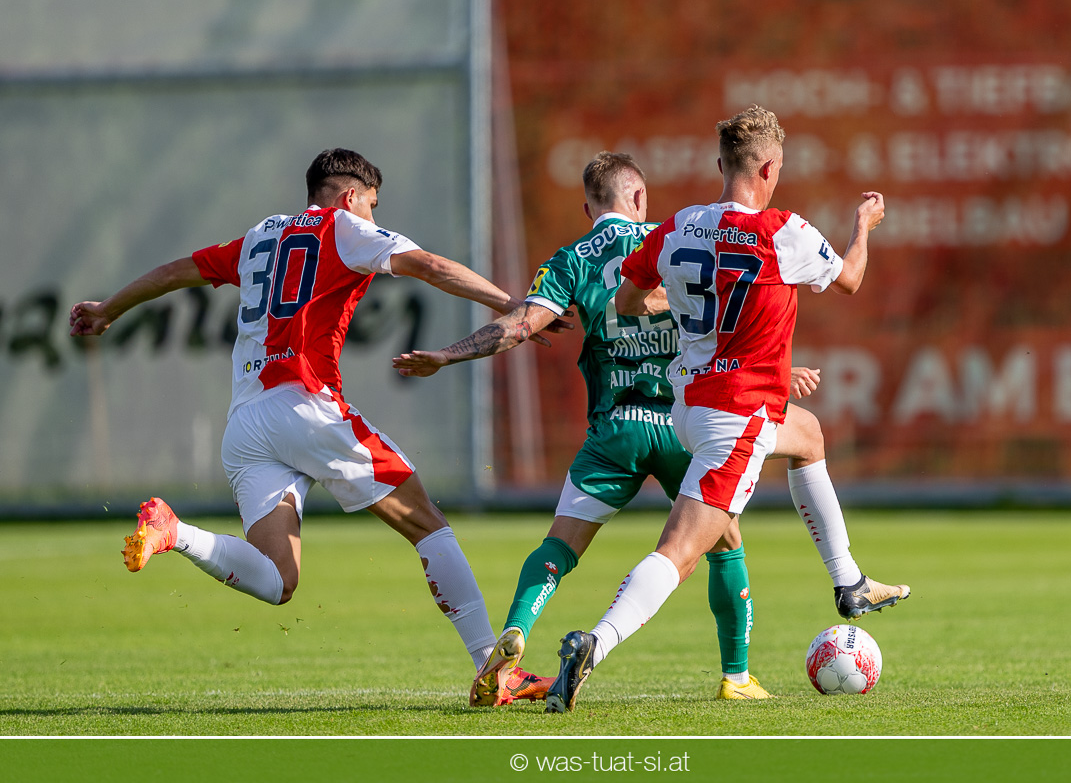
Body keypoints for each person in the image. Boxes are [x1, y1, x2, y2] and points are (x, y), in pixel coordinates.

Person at [68, 148, 553, 703]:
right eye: (372, 205)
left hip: (246, 424)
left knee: (278, 580)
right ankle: (493, 667)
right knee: (427, 523)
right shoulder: (343, 226)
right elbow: (431, 266)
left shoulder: (259, 237)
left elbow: (177, 271)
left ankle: (174, 532)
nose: (373, 217)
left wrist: (110, 308)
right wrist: (518, 306)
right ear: (351, 196)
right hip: (304, 404)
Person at [544, 106, 909, 713]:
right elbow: (849, 279)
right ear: (769, 168)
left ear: (721, 165)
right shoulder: (783, 230)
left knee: (808, 435)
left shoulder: (679, 225)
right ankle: (595, 642)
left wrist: (694, 305)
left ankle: (849, 581)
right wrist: (863, 224)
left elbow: (629, 301)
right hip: (736, 419)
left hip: (689, 405)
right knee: (679, 553)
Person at [394, 151, 771, 704]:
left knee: (559, 546)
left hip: (615, 430)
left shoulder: (570, 259)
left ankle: (516, 631)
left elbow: (521, 326)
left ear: (588, 207)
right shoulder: (675, 240)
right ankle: (736, 677)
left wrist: (447, 356)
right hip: (681, 424)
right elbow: (730, 314)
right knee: (724, 542)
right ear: (639, 197)